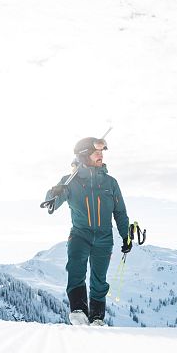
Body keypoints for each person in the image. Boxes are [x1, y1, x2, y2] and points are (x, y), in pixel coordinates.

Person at [44, 136, 130, 326]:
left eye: (102, 152)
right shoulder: (70, 181)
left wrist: (126, 236)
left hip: (104, 237)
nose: (101, 155)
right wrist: (54, 193)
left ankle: (97, 317)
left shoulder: (110, 182)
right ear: (84, 155)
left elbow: (120, 212)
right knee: (76, 269)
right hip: (79, 234)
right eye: (96, 152)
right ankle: (78, 311)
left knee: (99, 279)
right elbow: (51, 205)